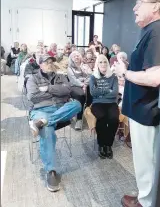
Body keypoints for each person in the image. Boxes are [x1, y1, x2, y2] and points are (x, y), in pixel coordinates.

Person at [120, 0, 160, 207]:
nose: (134, 8)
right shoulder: (159, 30)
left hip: (145, 109)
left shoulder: (156, 31)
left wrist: (124, 73)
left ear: (155, 6)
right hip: (149, 107)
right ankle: (148, 195)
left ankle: (145, 202)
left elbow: (154, 77)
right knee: (151, 160)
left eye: (139, 3)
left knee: (146, 161)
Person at [26, 54, 81, 192]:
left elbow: (67, 90)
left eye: (51, 61)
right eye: (46, 62)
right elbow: (32, 97)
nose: (49, 63)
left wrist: (48, 89)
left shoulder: (60, 76)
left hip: (60, 109)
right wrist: (57, 93)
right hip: (41, 110)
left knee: (77, 105)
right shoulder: (33, 78)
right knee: (48, 131)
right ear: (40, 64)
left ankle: (42, 123)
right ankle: (51, 171)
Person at [89, 54, 119, 159]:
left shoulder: (113, 77)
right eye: (100, 62)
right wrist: (107, 90)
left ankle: (108, 145)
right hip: (97, 103)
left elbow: (115, 93)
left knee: (114, 119)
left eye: (105, 61)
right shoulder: (93, 77)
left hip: (111, 103)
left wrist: (100, 92)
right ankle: (101, 145)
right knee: (102, 118)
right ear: (97, 64)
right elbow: (93, 92)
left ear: (108, 63)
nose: (103, 64)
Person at [67, 51, 89, 130]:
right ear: (71, 59)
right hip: (74, 86)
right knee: (81, 95)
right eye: (74, 56)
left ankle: (89, 114)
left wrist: (85, 83)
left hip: (86, 84)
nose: (76, 57)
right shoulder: (69, 68)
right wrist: (82, 84)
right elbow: (73, 80)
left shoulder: (84, 66)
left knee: (92, 93)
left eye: (77, 56)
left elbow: (89, 76)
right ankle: (79, 119)